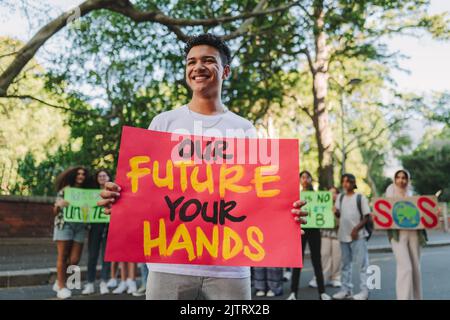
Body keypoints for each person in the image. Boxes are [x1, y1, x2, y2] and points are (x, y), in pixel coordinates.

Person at [98, 33, 308, 300]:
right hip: (167, 265)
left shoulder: (244, 129)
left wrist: (285, 215)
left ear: (226, 71)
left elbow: (256, 197)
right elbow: (143, 188)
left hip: (230, 269)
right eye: (191, 62)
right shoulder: (163, 123)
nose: (198, 67)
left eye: (208, 61)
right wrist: (118, 199)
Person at [287, 171, 331, 300]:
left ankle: (322, 292)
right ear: (300, 180)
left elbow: (325, 212)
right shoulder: (296, 196)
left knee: (316, 260)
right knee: (297, 261)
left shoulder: (318, 196)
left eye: (307, 177)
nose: (305, 180)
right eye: (303, 177)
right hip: (299, 230)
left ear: (311, 179)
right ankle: (293, 292)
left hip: (314, 230)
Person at [385, 169, 426, 300]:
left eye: (404, 178)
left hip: (414, 233)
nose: (401, 180)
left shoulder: (413, 193)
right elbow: (384, 214)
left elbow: (422, 213)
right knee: (405, 267)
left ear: (408, 180)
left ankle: (417, 297)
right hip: (397, 235)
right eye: (398, 177)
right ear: (395, 179)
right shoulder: (389, 193)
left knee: (415, 268)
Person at [52, 166, 91, 299]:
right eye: (78, 174)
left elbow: (90, 211)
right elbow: (55, 211)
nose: (81, 176)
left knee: (74, 259)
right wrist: (59, 205)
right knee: (63, 256)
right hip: (64, 225)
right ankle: (62, 287)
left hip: (80, 226)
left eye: (83, 174)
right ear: (73, 175)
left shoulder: (87, 193)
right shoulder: (65, 190)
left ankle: (59, 280)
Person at [332, 173, 370, 300]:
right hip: (343, 235)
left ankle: (364, 291)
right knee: (345, 264)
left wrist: (355, 229)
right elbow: (339, 215)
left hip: (358, 236)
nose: (345, 183)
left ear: (354, 183)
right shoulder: (340, 197)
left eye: (348, 181)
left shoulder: (360, 198)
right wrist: (336, 212)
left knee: (362, 264)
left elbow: (367, 217)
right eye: (343, 181)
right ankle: (346, 289)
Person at [82, 169, 112, 295]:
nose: (102, 177)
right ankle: (90, 283)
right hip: (95, 226)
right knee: (92, 255)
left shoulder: (114, 193)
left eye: (104, 175)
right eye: (99, 176)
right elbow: (85, 208)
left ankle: (104, 282)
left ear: (109, 177)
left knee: (107, 256)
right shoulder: (91, 194)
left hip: (109, 226)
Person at [309, 186, 341, 288]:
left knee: (337, 257)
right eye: (330, 193)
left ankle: (336, 278)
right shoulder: (321, 205)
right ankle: (321, 278)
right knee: (324, 255)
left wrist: (336, 213)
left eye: (335, 193)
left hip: (337, 234)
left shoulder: (341, 205)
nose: (333, 195)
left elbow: (344, 220)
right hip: (324, 234)